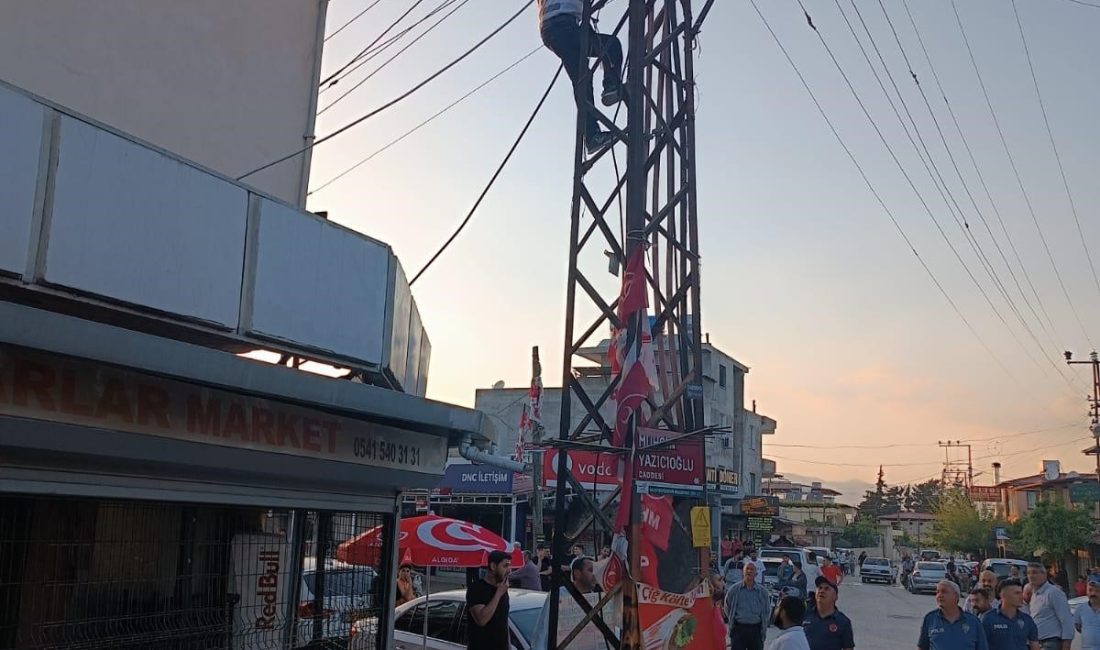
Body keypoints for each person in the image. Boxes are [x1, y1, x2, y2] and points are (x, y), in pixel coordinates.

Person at [537, 0, 624, 154]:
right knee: (584, 74)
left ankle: (592, 133)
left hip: (560, 26)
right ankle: (592, 133)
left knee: (585, 71)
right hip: (562, 24)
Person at [918, 580, 988, 650]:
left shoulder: (973, 621)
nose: (939, 595)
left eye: (944, 592)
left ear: (956, 596)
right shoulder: (930, 618)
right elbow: (922, 647)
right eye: (937, 592)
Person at [466, 550, 512, 650]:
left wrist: (509, 645)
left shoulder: (503, 589)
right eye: (505, 566)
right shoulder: (476, 589)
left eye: (509, 566)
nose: (509, 570)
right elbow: (482, 620)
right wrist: (498, 594)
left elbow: (504, 621)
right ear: (493, 566)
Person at [1025, 562, 1075, 650]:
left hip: (1051, 642)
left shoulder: (1054, 592)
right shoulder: (1034, 594)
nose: (1031, 576)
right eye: (1028, 573)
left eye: (1035, 572)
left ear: (1044, 574)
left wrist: (1066, 644)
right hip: (1036, 642)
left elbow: (1066, 619)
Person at [981, 578, 1039, 650]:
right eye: (1017, 593)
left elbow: (1035, 645)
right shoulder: (988, 619)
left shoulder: (1027, 620)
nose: (1021, 596)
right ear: (1003, 595)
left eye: (1021, 593)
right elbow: (980, 644)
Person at [724, 562, 771, 650]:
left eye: (752, 569)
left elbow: (767, 610)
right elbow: (727, 607)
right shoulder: (734, 590)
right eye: (747, 569)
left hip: (756, 630)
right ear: (743, 572)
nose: (749, 571)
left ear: (756, 574)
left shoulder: (762, 592)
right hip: (738, 629)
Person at [803, 576, 854, 650]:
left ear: (835, 597)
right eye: (820, 588)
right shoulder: (805, 616)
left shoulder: (843, 622)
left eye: (827, 588)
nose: (822, 591)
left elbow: (848, 648)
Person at [1074, 576, 1100, 650]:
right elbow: (1078, 627)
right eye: (1090, 590)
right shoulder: (1080, 609)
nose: (1093, 593)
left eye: (1097, 591)